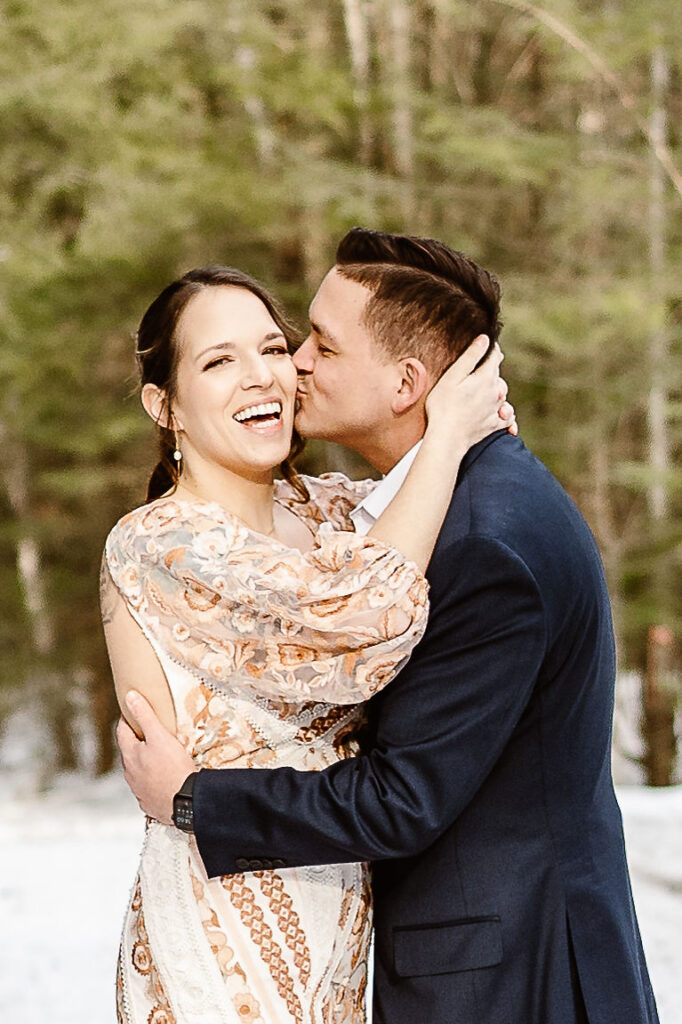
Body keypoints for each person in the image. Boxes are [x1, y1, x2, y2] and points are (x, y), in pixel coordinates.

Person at [118, 229, 659, 1024]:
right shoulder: (413, 509)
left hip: (510, 978)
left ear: (408, 382)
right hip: (273, 939)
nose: (294, 364)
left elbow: (403, 799)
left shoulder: (479, 539)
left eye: (319, 347)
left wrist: (197, 799)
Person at [101, 262, 513, 1024]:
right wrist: (451, 432)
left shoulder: (323, 510)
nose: (262, 377)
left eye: (272, 348)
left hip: (340, 913)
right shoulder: (160, 542)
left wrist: (463, 431)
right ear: (167, 407)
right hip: (225, 917)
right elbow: (364, 620)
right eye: (219, 362)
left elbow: (415, 514)